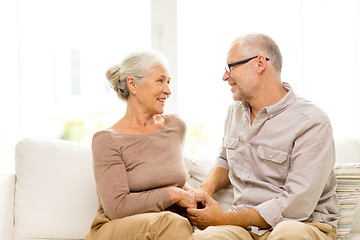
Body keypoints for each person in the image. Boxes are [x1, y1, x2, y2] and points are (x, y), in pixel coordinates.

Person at [187, 33, 339, 240]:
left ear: (259, 64)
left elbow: (296, 206)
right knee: (206, 238)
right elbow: (225, 161)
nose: (225, 76)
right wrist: (205, 188)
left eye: (230, 67)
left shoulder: (312, 122)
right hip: (243, 225)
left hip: (302, 224)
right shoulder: (234, 113)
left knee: (289, 234)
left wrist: (222, 219)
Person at [85, 50, 196, 240]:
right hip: (115, 228)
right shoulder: (106, 140)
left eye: (168, 82)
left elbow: (169, 176)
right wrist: (174, 195)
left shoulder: (175, 126)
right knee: (172, 222)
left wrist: (192, 195)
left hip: (171, 229)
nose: (168, 90)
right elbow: (117, 208)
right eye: (160, 81)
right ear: (132, 84)